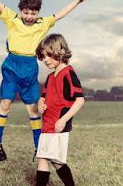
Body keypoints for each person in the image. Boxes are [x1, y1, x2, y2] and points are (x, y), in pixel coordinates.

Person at [0, 0, 91, 162]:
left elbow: (61, 13)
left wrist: (78, 0)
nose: (29, 16)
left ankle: (39, 149)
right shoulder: (12, 18)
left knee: (34, 111)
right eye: (26, 12)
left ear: (38, 12)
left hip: (30, 68)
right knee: (5, 104)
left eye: (33, 13)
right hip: (12, 66)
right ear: (20, 10)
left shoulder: (43, 24)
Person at [35, 33, 85, 186]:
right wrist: (40, 104)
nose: (45, 60)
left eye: (49, 55)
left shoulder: (68, 73)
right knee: (55, 161)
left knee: (44, 158)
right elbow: (43, 97)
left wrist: (63, 119)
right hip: (47, 124)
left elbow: (80, 100)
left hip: (58, 125)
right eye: (43, 57)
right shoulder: (50, 77)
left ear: (61, 52)